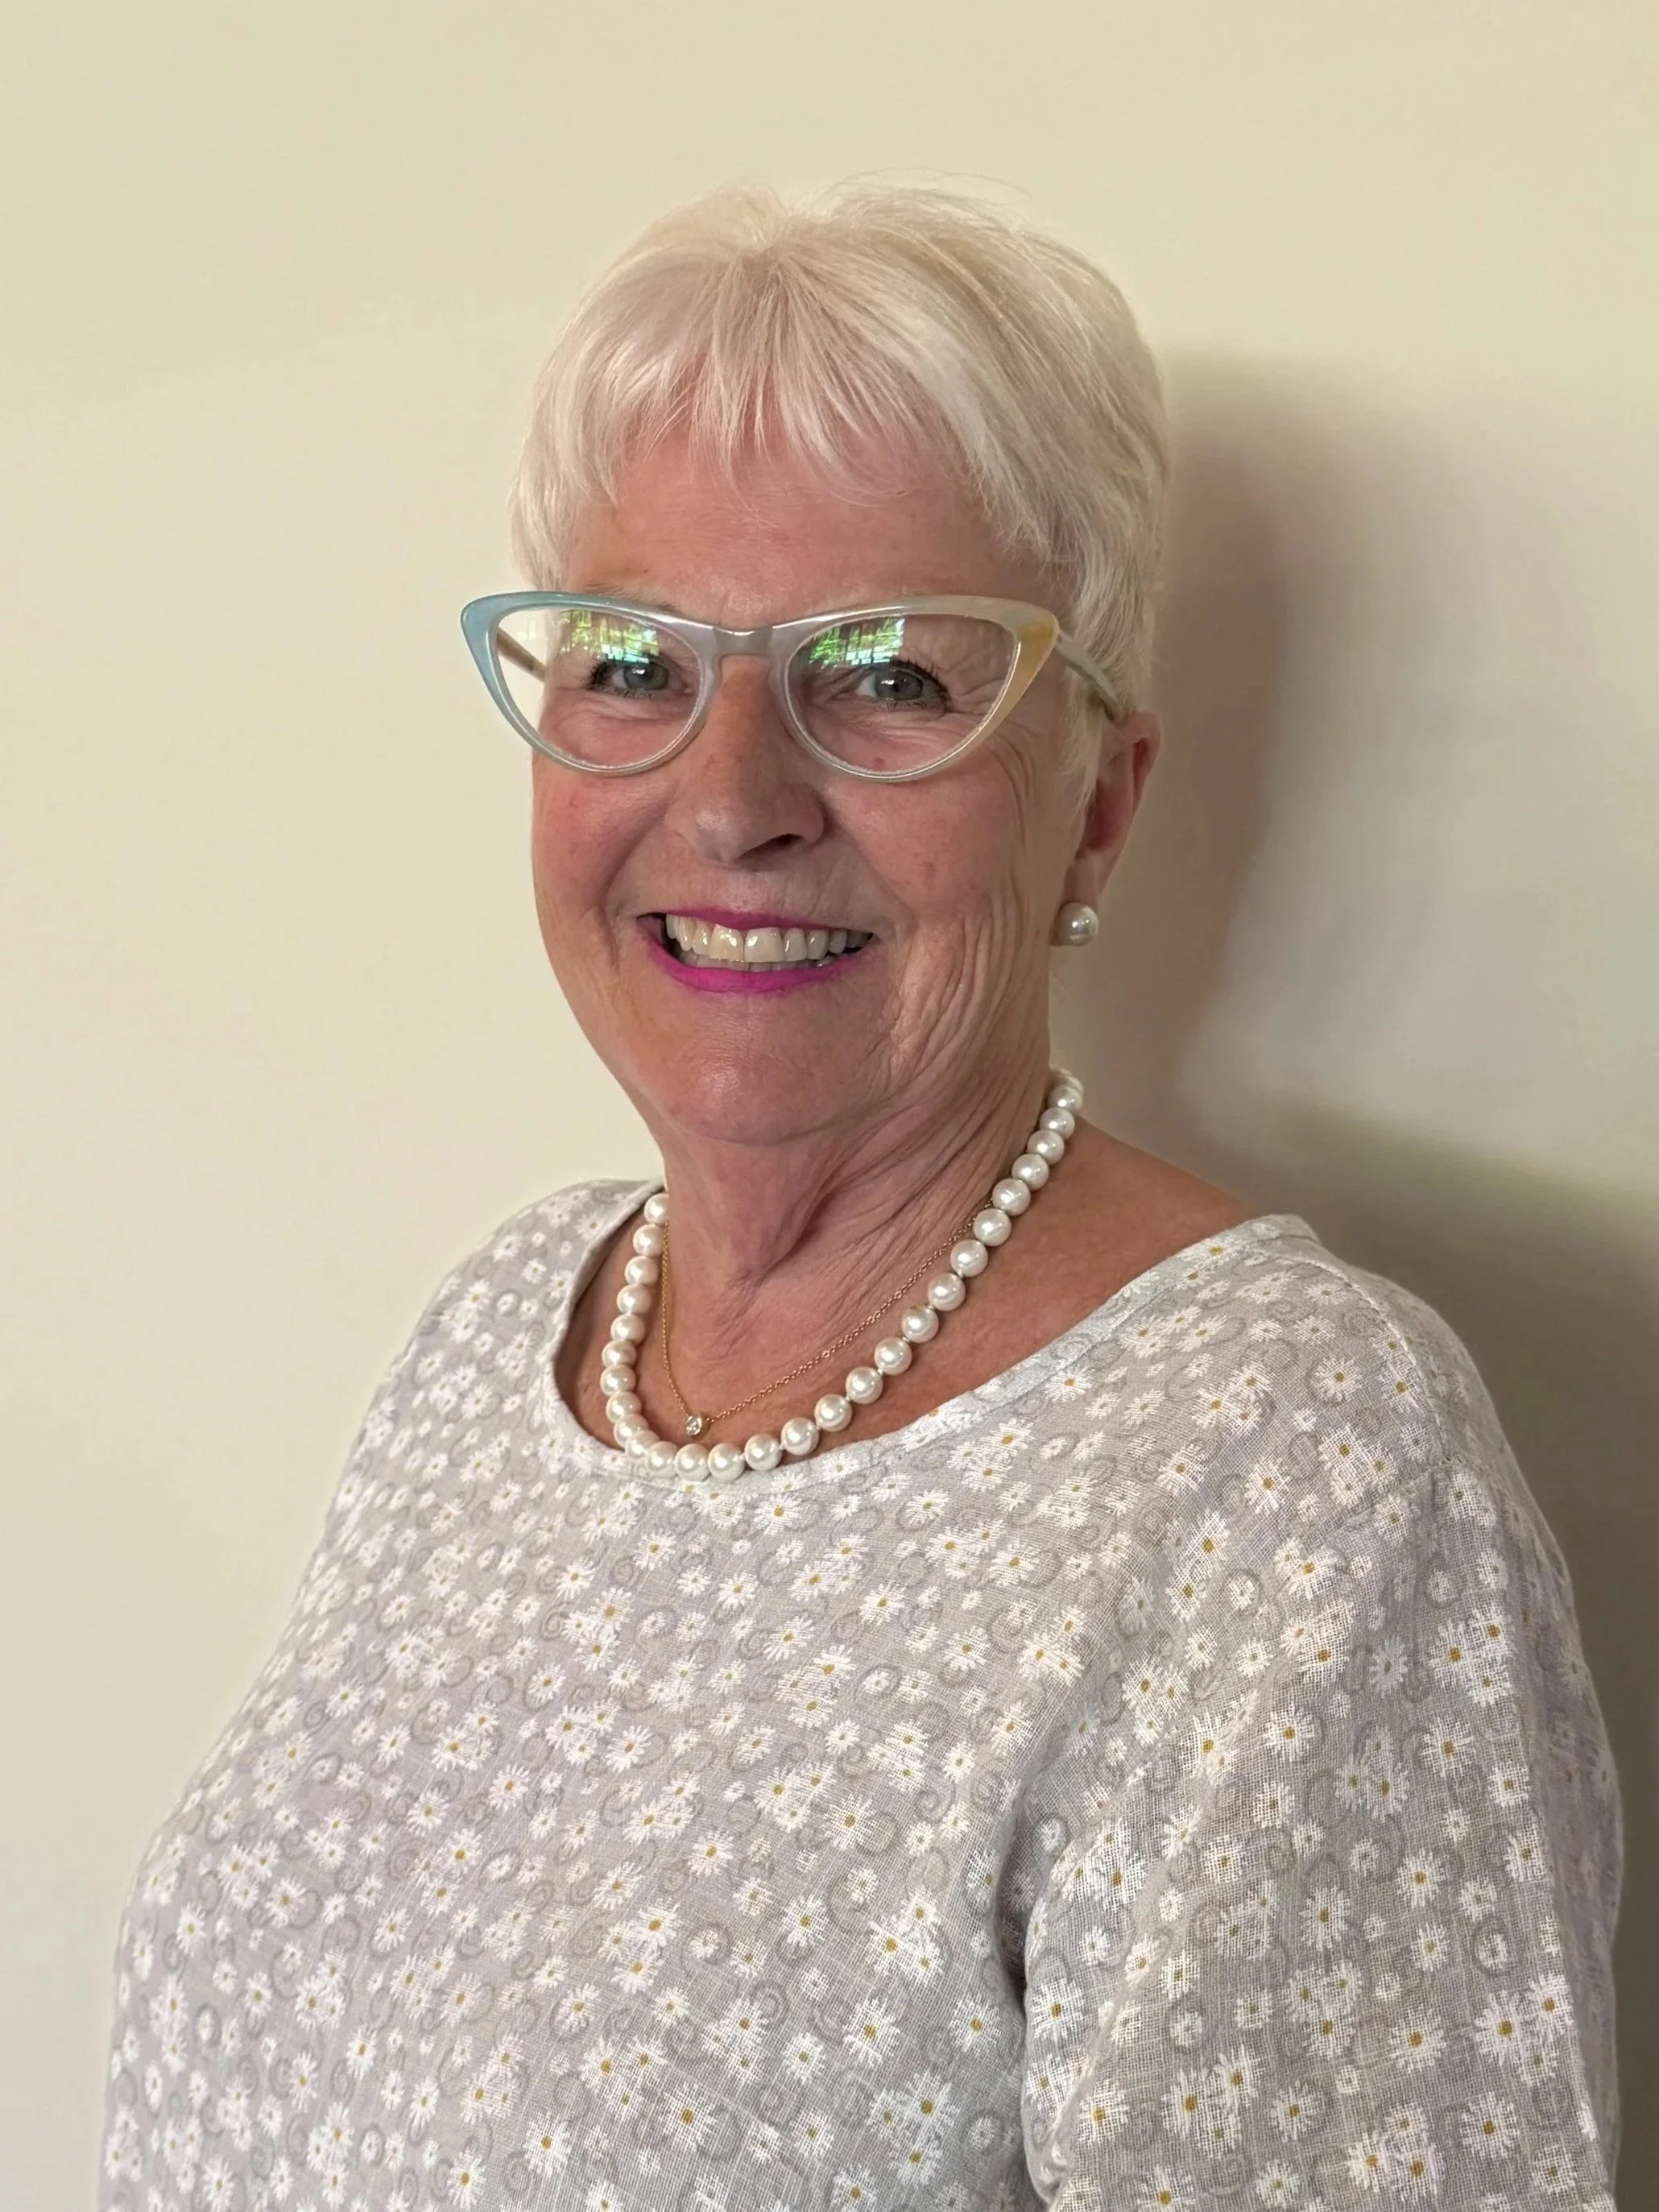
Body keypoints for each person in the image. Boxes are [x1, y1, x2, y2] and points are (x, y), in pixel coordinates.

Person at [100, 184, 1620, 2212]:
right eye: (636, 661)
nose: (731, 794)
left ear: (1096, 798)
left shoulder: (1291, 1464)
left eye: (890, 676)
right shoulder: (510, 1321)